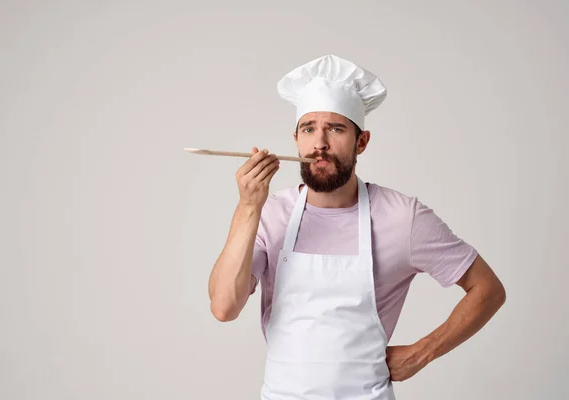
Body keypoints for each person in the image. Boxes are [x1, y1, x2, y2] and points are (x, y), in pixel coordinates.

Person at [207, 54, 506, 399]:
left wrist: (424, 352)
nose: (319, 143)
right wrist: (248, 207)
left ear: (361, 141)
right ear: (296, 140)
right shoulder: (270, 213)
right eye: (309, 129)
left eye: (335, 129)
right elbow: (224, 307)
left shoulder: (402, 217)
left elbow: (488, 290)